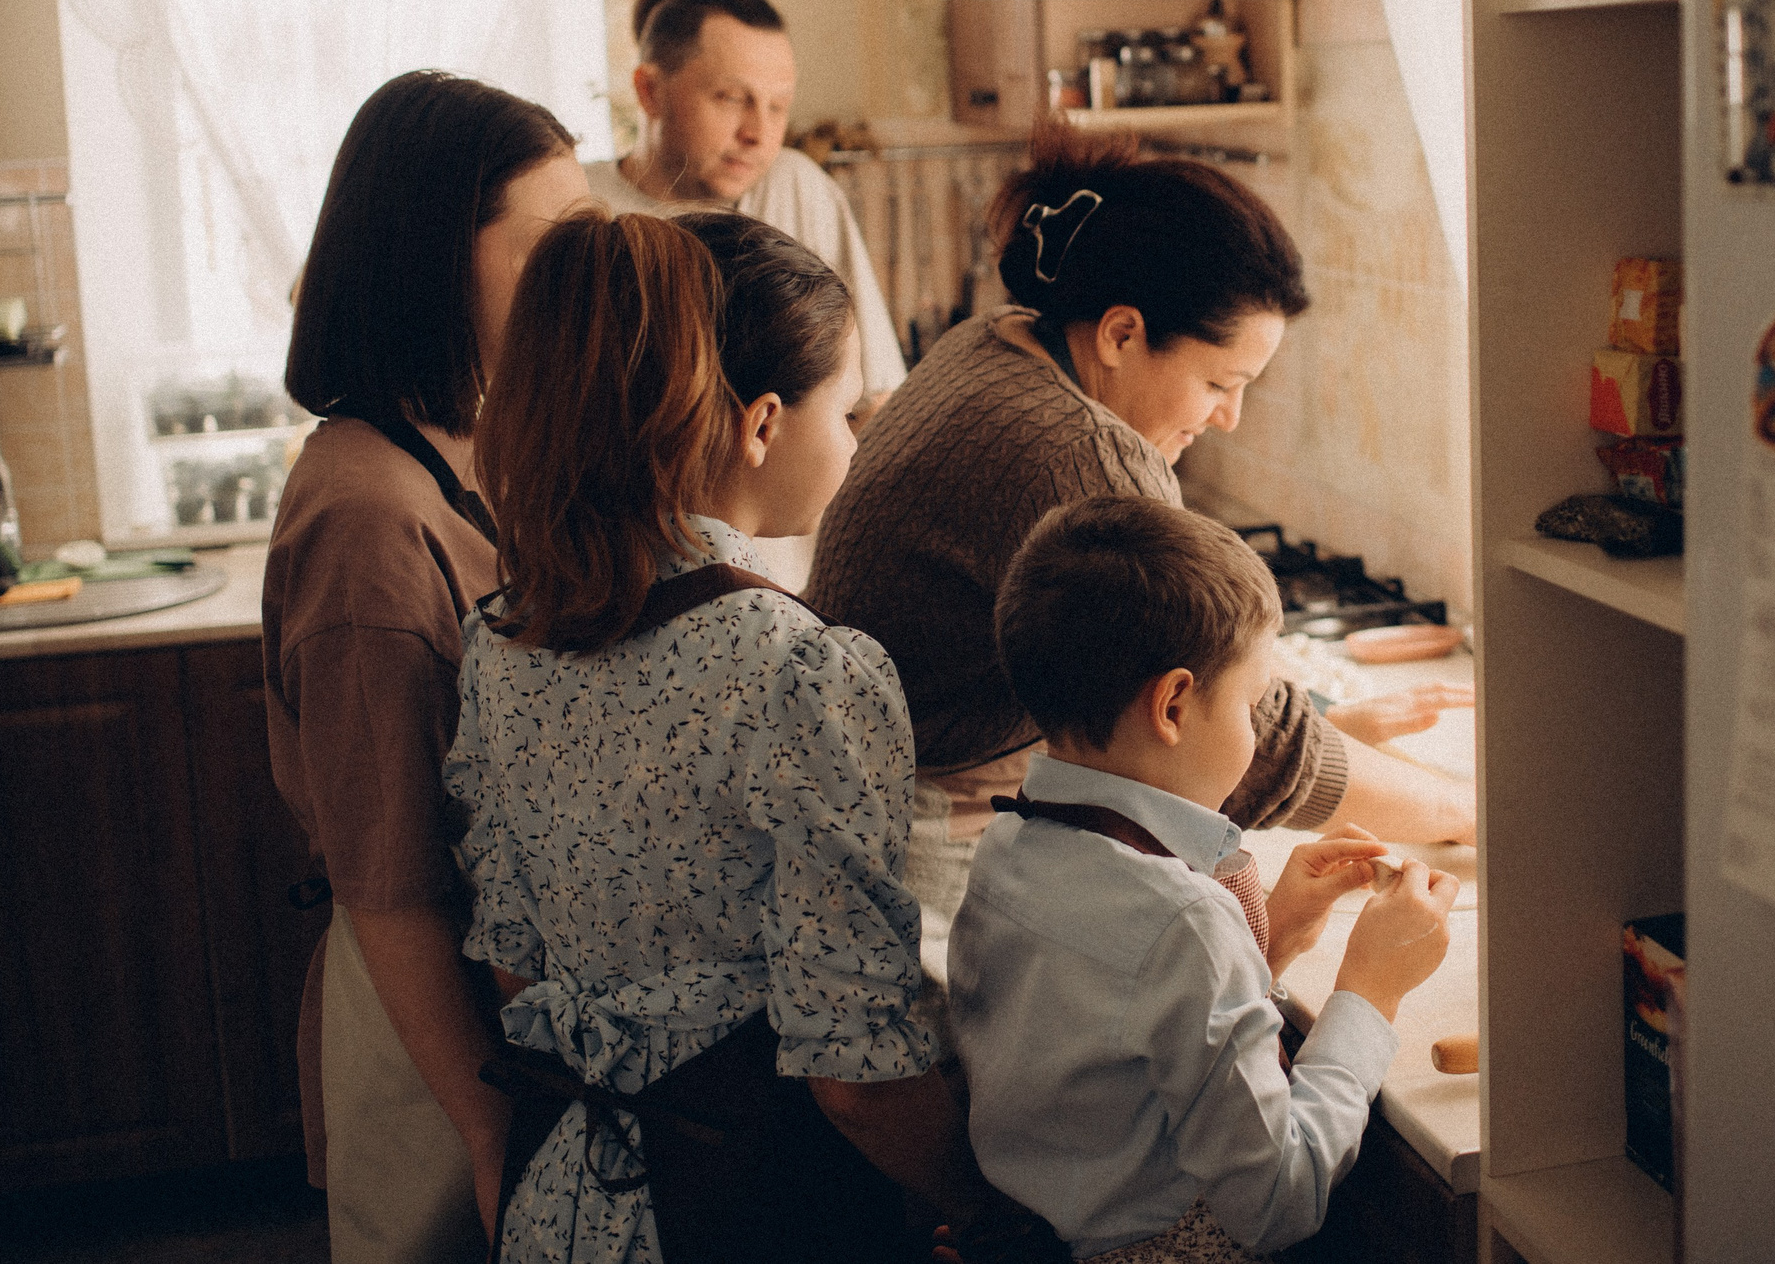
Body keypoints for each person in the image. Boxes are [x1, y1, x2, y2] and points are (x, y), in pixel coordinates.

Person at [446, 209, 988, 1263]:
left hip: (566, 1199)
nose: (856, 437)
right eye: (849, 408)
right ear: (761, 423)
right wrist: (989, 1210)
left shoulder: (504, 641)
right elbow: (855, 1079)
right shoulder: (802, 671)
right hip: (751, 1205)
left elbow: (512, 966)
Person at [807, 126, 1477, 930]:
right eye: (1220, 381)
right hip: (909, 829)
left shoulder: (999, 342)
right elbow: (1249, 742)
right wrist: (1464, 810)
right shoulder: (1077, 449)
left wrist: (1327, 729)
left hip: (846, 780)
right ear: (1122, 333)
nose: (1227, 416)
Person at [266, 70, 592, 1263]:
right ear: (431, 259)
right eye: (551, 251)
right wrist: (488, 1126)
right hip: (434, 1035)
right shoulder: (368, 521)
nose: (578, 288)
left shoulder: (457, 439)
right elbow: (390, 881)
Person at [951, 496, 1460, 1261]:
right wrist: (1370, 989)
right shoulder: (1183, 919)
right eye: (1254, 705)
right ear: (1175, 703)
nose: (1259, 734)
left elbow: (1124, 1052)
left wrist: (1272, 939)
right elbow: (1280, 1198)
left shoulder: (1006, 844)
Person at [585, 0, 906, 412]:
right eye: (732, 98)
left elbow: (876, 398)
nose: (758, 132)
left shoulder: (796, 189)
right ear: (650, 91)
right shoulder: (582, 207)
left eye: (778, 107)